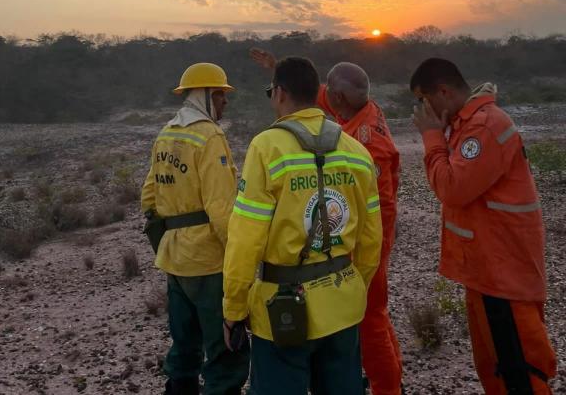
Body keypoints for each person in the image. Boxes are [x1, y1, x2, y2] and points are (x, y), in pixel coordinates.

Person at [222, 57, 383, 394]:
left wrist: (234, 309)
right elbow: (371, 240)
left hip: (281, 314)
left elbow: (245, 239)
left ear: (280, 93)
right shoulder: (356, 151)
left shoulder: (266, 148)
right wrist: (353, 289)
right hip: (343, 306)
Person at [411, 58, 556, 394]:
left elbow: (452, 188)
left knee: (521, 371)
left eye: (422, 100)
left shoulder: (484, 126)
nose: (421, 110)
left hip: (504, 275)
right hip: (488, 271)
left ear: (443, 91)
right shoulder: (468, 124)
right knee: (496, 369)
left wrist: (431, 136)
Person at [141, 62, 249, 395]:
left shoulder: (167, 132)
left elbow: (148, 197)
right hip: (208, 262)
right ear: (205, 95)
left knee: (184, 347)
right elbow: (221, 208)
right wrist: (239, 257)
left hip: (174, 259)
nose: (225, 102)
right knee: (224, 350)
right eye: (221, 95)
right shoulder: (209, 136)